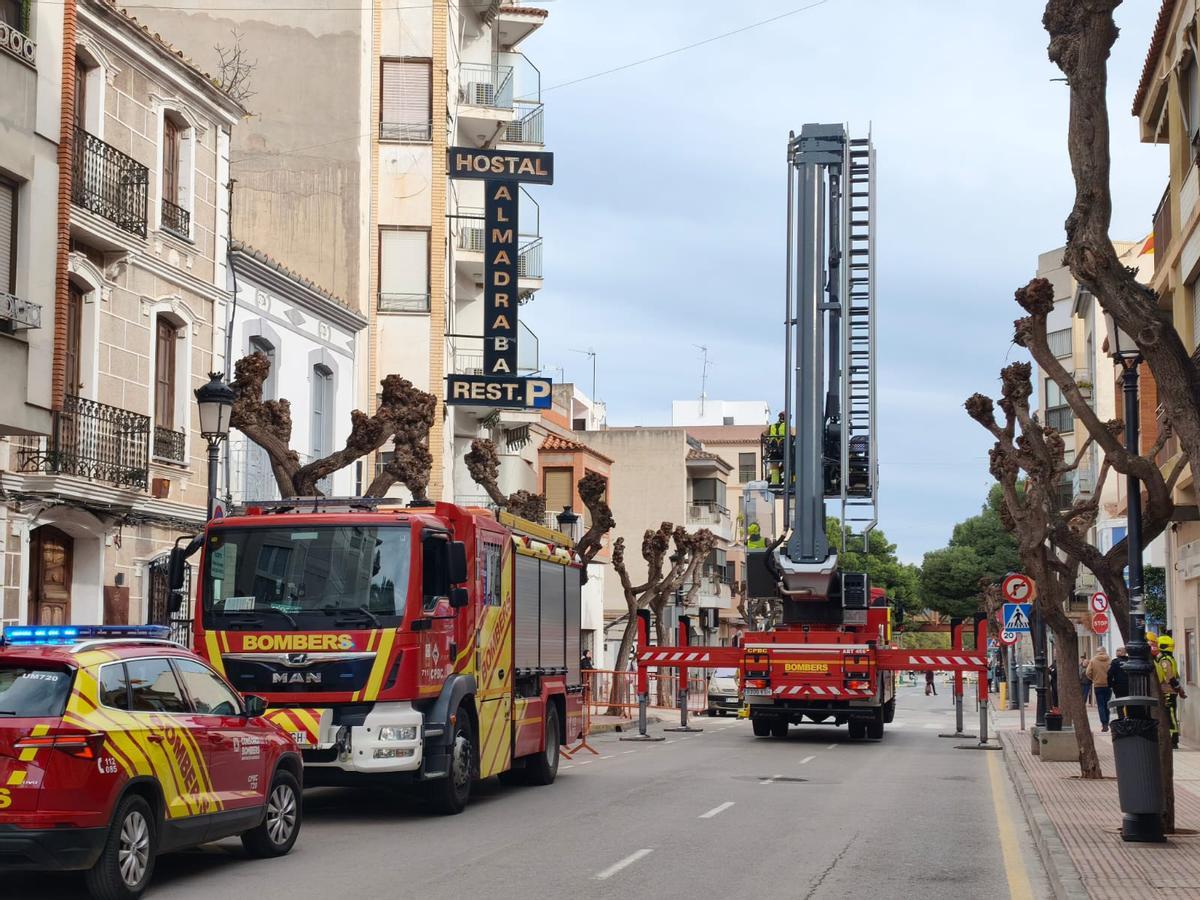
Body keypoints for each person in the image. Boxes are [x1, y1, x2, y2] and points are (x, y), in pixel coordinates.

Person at [1155, 635, 1188, 749]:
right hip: (1168, 691)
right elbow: (1171, 676)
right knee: (1170, 714)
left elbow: (1171, 675)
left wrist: (1178, 688)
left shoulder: (1165, 659)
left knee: (1170, 715)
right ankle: (1172, 740)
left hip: (1167, 690)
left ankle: (1173, 739)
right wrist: (1179, 688)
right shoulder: (1167, 659)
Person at [1086, 646, 1112, 732]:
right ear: (1105, 651)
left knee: (1100, 705)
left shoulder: (1093, 660)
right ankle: (1107, 721)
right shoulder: (1109, 660)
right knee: (1107, 704)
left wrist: (1094, 679)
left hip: (1098, 685)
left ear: (1097, 652)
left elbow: (1088, 672)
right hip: (1108, 685)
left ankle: (1104, 723)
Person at [764, 413, 787, 486]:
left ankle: (775, 482)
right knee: (788, 464)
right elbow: (793, 434)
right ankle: (788, 481)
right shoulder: (787, 426)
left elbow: (764, 434)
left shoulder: (772, 426)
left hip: (773, 449)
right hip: (784, 449)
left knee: (774, 466)